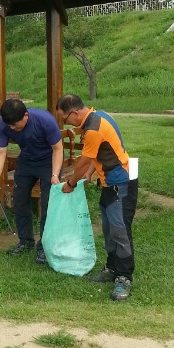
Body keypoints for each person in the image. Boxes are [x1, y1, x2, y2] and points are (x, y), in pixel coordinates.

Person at [56, 93, 137, 302]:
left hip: (122, 183)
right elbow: (100, 151)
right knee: (109, 228)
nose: (69, 125)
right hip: (108, 183)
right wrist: (92, 172)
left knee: (120, 231)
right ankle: (111, 268)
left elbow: (83, 160)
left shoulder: (93, 129)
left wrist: (70, 183)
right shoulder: (99, 115)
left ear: (74, 113)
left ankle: (124, 277)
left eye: (66, 120)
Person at [0, 99, 64, 264]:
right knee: (20, 201)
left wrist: (55, 174)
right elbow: (0, 153)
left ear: (26, 115)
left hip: (48, 162)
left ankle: (44, 246)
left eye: (16, 125)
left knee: (47, 204)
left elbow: (58, 149)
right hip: (26, 162)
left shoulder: (45, 120)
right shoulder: (3, 124)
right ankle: (25, 241)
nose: (13, 129)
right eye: (10, 127)